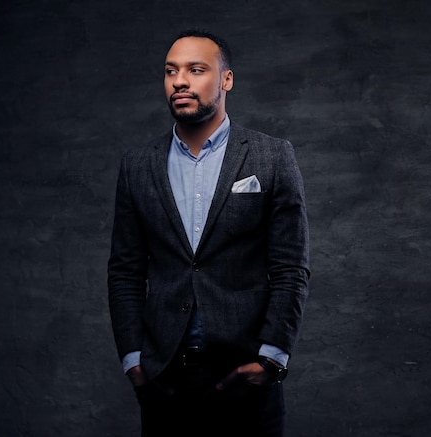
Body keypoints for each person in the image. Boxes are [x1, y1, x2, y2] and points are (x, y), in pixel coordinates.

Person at [107, 29, 310, 436]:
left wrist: (272, 358)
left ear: (226, 80)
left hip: (245, 374)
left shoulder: (271, 156)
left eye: (196, 70)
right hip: (164, 378)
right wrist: (133, 360)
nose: (180, 81)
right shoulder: (137, 165)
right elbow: (126, 271)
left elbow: (290, 267)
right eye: (171, 71)